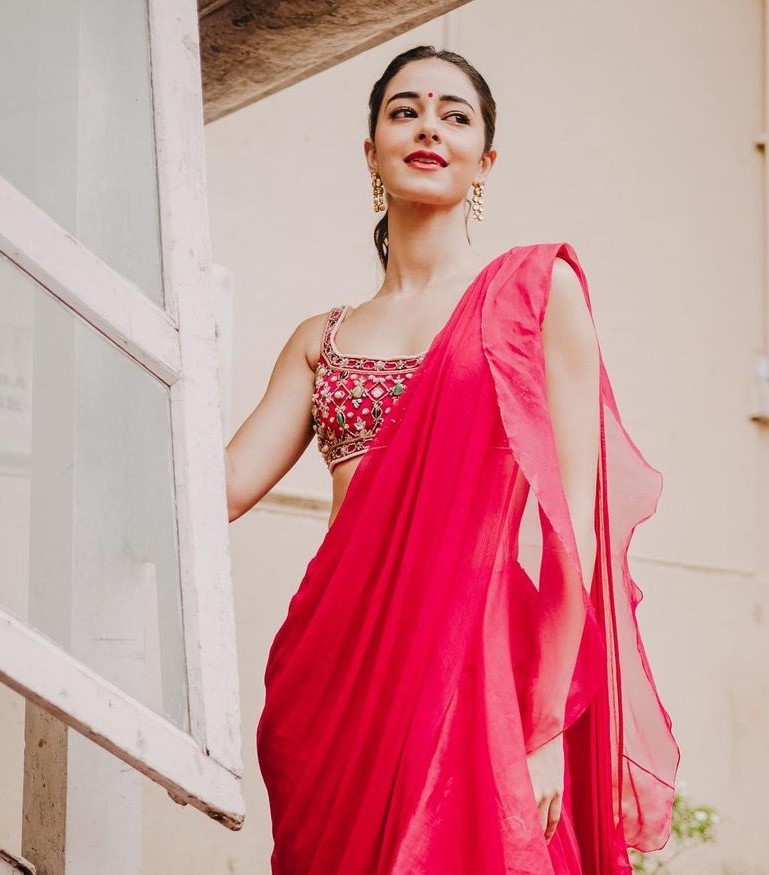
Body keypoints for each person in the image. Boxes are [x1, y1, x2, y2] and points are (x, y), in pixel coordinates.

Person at [225, 44, 679, 875]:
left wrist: (543, 725)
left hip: (476, 663)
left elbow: (569, 526)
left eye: (453, 114)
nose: (427, 126)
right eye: (403, 110)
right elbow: (214, 490)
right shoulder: (319, 339)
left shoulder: (533, 296)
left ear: (485, 158)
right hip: (335, 669)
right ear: (371, 150)